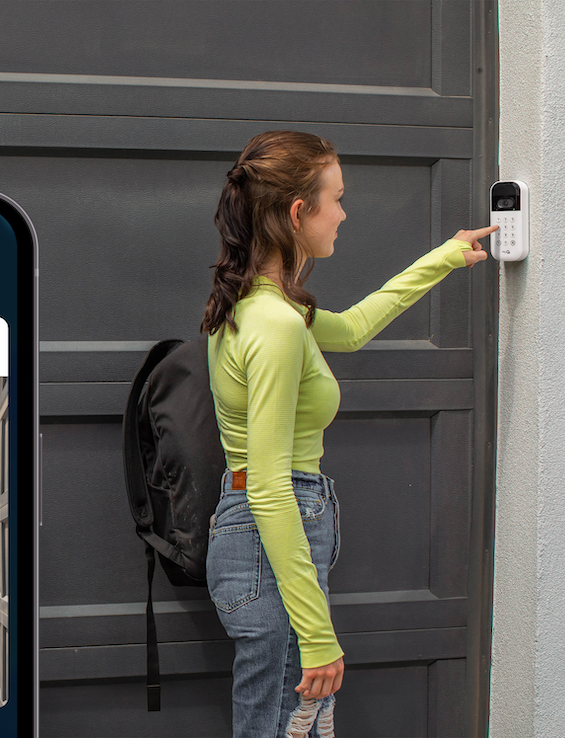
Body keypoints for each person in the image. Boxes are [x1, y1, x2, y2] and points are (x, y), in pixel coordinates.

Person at [200, 130, 495, 738]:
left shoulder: (258, 305)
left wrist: (444, 256)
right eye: (336, 199)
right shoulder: (276, 323)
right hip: (270, 531)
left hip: (260, 536)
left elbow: (354, 328)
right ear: (297, 212)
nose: (343, 213)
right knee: (283, 723)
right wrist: (317, 635)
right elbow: (272, 486)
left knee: (283, 722)